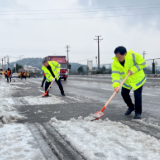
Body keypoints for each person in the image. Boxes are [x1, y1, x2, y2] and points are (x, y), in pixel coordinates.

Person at [111, 46, 147, 119]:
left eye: (119, 57)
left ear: (125, 54)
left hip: (137, 79)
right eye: (116, 56)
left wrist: (133, 69)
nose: (118, 58)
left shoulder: (134, 56)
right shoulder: (115, 62)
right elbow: (115, 75)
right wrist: (116, 85)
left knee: (137, 95)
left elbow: (143, 64)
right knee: (124, 93)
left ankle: (138, 112)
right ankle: (131, 107)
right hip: (127, 81)